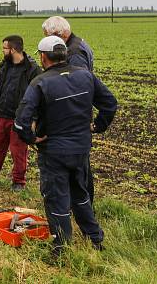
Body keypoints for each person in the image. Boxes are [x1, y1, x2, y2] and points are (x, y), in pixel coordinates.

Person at [13, 36, 118, 256]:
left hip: (54, 151)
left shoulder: (40, 82)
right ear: (64, 54)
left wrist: (32, 139)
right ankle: (96, 240)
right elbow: (109, 103)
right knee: (80, 194)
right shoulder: (85, 75)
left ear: (43, 56)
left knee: (56, 198)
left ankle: (61, 247)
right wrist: (97, 126)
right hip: (81, 149)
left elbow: (21, 121)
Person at [41, 16, 98, 201]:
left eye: (49, 37)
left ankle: (81, 206)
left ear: (59, 35)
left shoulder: (73, 54)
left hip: (73, 116)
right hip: (78, 116)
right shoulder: (78, 43)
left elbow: (77, 86)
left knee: (78, 171)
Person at [0, 35, 40, 191]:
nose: (3, 51)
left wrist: (33, 119)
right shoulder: (5, 65)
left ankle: (18, 181)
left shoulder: (32, 69)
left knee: (18, 151)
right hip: (2, 115)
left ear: (13, 49)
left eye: (5, 48)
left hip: (19, 119)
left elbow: (38, 96)